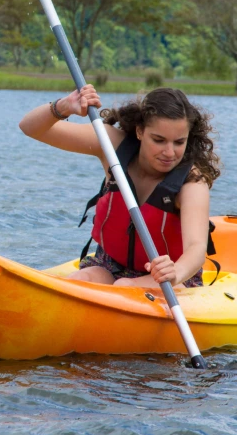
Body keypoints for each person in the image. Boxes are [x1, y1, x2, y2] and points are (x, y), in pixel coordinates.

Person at [19, 85, 220, 288]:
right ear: (140, 131)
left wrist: (175, 272)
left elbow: (196, 249)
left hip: (169, 277)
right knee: (79, 281)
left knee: (125, 287)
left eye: (179, 142)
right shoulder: (112, 146)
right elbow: (30, 128)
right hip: (109, 265)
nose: (169, 152)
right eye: (159, 140)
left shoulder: (192, 181)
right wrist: (64, 107)